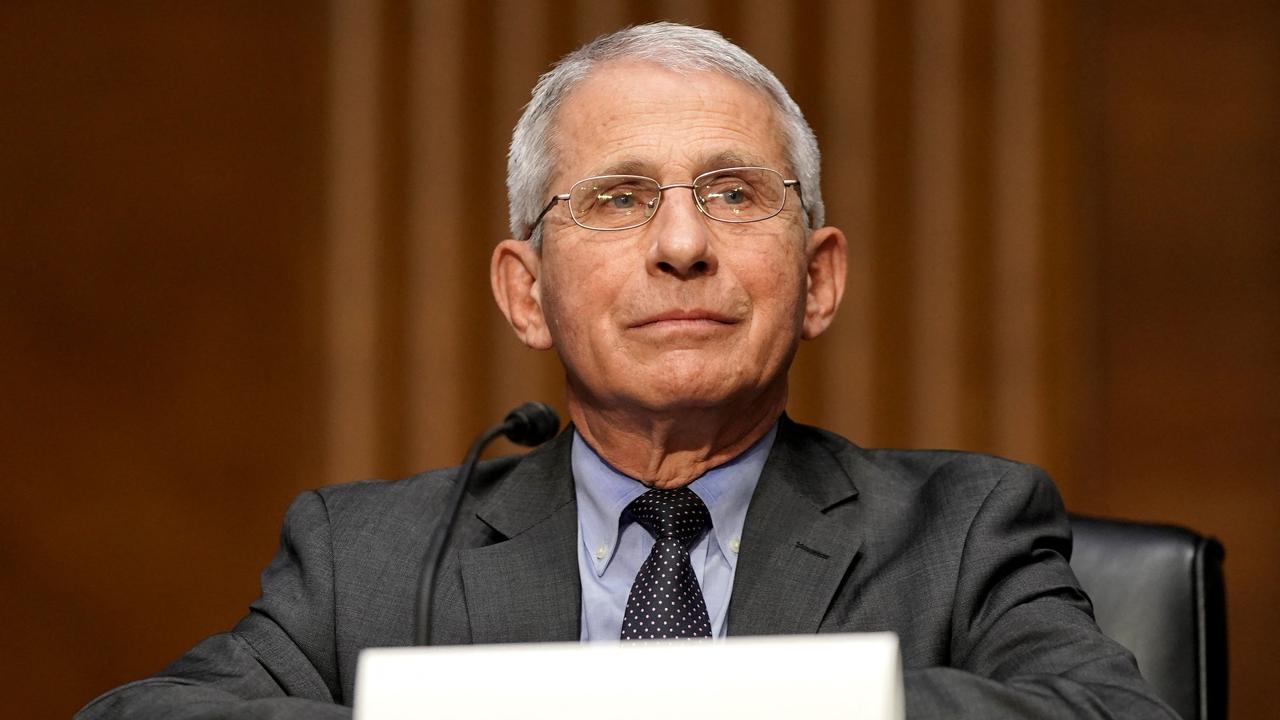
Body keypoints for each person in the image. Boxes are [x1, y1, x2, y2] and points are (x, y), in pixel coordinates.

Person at [78, 22, 1176, 719]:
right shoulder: (366, 555)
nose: (682, 245)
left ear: (818, 279)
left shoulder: (964, 527)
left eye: (735, 193)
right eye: (617, 199)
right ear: (524, 292)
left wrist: (754, 707)